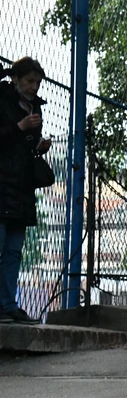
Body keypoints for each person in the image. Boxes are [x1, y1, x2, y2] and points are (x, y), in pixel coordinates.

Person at [0, 57, 52, 325]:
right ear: (16, 79)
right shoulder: (3, 101)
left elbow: (24, 148)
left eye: (38, 82)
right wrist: (19, 127)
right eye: (30, 81)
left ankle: (8, 305)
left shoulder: (34, 108)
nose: (34, 87)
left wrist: (38, 147)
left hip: (21, 189)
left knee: (14, 251)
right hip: (2, 186)